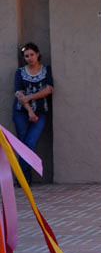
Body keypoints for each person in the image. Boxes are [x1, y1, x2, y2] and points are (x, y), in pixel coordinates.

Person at [13, 42, 54, 185]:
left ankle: (21, 178)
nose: (29, 58)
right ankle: (25, 178)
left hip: (41, 112)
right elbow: (19, 94)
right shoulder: (20, 72)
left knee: (30, 142)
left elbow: (49, 89)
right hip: (21, 112)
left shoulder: (46, 70)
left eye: (32, 55)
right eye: (26, 56)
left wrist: (30, 97)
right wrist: (30, 111)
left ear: (37, 54)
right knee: (23, 144)